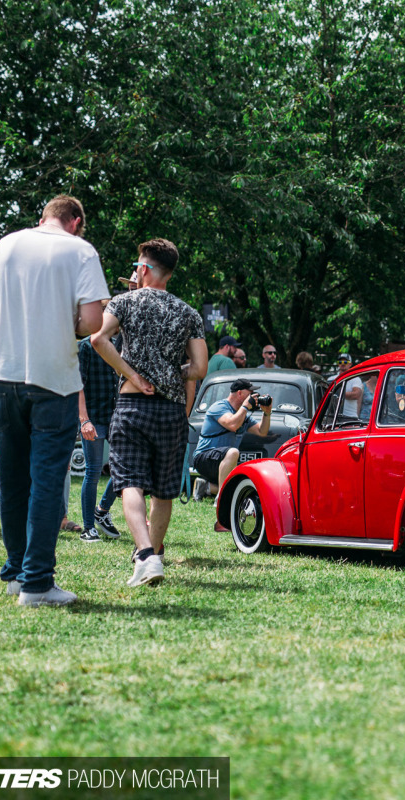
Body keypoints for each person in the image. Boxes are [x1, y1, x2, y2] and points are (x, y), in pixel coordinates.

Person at [0, 194, 108, 607]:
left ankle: (16, 573)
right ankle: (37, 583)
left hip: (2, 374)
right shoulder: (81, 251)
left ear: (43, 217)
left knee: (12, 480)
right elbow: (92, 322)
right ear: (76, 221)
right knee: (48, 480)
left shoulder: (6, 245)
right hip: (53, 378)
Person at [91, 238, 207, 588]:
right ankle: (153, 553)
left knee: (130, 482)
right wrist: (171, 374)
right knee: (164, 490)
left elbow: (98, 339)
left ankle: (145, 554)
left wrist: (132, 374)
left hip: (133, 406)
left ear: (143, 269)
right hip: (172, 410)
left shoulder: (124, 301)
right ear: (168, 273)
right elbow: (199, 368)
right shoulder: (189, 313)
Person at [191, 378, 272, 505]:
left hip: (224, 461)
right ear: (239, 393)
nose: (253, 396)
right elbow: (232, 424)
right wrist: (245, 406)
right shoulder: (219, 407)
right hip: (204, 458)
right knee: (233, 452)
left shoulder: (242, 414)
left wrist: (267, 413)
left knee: (243, 485)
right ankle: (221, 499)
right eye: (250, 393)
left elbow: (262, 431)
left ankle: (205, 486)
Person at [76, 333, 122, 542]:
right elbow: (78, 385)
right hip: (93, 417)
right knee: (93, 471)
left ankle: (102, 510)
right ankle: (88, 528)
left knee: (124, 467)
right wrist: (84, 420)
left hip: (115, 416)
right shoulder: (85, 346)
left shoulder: (115, 344)